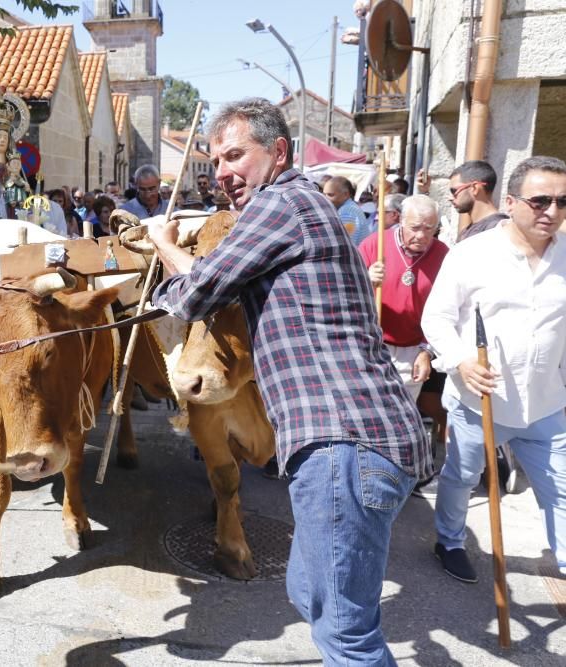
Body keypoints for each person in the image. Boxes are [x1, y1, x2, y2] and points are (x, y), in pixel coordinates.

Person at [148, 98, 430, 665]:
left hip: (343, 443)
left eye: (235, 155)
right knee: (308, 592)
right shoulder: (300, 206)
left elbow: (199, 293)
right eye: (214, 160)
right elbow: (213, 281)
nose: (223, 171)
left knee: (348, 638)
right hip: (354, 444)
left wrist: (162, 242)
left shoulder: (281, 204)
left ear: (278, 152)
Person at [422, 156, 566, 583]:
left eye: (562, 201)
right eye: (540, 201)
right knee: (462, 477)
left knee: (561, 490)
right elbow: (437, 319)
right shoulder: (473, 254)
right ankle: (448, 541)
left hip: (546, 403)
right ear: (511, 200)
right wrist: (461, 361)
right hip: (478, 400)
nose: (552, 212)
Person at [359, 194, 447, 402]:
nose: (422, 235)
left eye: (429, 228)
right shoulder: (375, 244)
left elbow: (447, 308)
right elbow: (346, 292)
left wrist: (427, 351)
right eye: (415, 227)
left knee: (404, 411)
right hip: (374, 343)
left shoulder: (443, 254)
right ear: (401, 222)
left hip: (415, 348)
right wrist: (366, 280)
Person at [448, 160, 508, 243]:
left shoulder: (498, 229)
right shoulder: (468, 230)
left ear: (475, 188)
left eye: (453, 191)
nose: (450, 198)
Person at [322, 175, 370, 245]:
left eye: (330, 195)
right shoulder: (348, 208)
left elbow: (344, 244)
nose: (325, 198)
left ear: (346, 194)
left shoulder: (348, 212)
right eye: (324, 194)